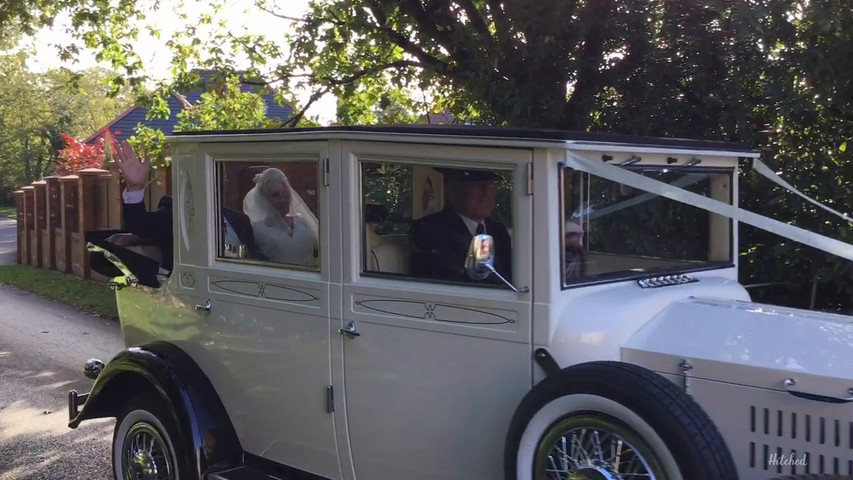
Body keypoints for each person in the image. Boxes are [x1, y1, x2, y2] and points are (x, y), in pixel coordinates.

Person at [113, 142, 262, 270]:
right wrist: (135, 186)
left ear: (225, 184)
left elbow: (256, 257)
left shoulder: (239, 220)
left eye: (218, 179)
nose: (213, 185)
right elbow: (138, 224)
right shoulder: (174, 216)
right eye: (204, 179)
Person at [409, 168, 512, 284]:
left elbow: (510, 274)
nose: (486, 192)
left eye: (491, 185)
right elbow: (449, 279)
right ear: (453, 190)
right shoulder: (430, 229)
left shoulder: (498, 230)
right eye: (477, 185)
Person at [242, 167, 319, 267]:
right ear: (263, 199)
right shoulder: (257, 229)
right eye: (275, 195)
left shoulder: (302, 223)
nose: (282, 199)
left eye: (285, 194)